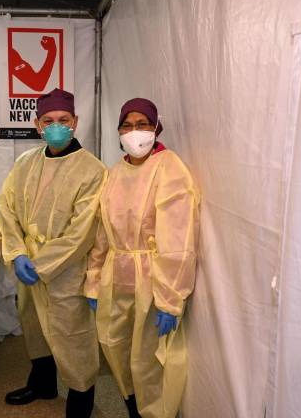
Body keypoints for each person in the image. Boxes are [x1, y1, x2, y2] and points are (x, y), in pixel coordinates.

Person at [85, 98, 200, 418]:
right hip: (115, 275)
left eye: (143, 125)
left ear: (155, 128)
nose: (135, 132)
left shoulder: (169, 168)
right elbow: (102, 232)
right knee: (114, 346)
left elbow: (178, 239)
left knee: (147, 359)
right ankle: (133, 408)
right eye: (127, 125)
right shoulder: (115, 173)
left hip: (153, 279)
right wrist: (94, 281)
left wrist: (170, 299)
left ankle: (153, 414)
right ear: (118, 131)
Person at [0, 88, 106, 417]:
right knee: (33, 327)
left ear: (76, 122)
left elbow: (81, 234)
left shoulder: (92, 170)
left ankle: (80, 405)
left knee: (73, 339)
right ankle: (42, 384)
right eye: (48, 120)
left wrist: (40, 263)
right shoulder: (26, 162)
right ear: (37, 124)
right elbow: (7, 208)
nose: (56, 126)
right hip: (27, 262)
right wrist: (17, 252)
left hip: (66, 270)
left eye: (63, 120)